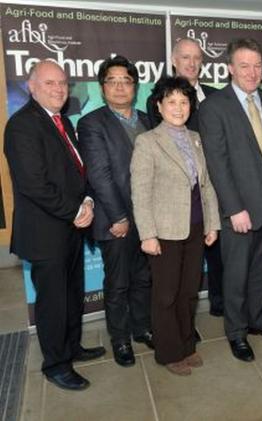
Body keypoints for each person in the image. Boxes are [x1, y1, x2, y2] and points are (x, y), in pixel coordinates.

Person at [4, 61, 105, 390]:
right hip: (46, 233)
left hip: (72, 229)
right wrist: (76, 210)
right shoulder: (22, 126)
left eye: (63, 83)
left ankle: (72, 347)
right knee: (52, 302)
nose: (59, 89)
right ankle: (56, 364)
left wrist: (87, 201)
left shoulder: (62, 122)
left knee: (72, 295)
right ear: (32, 87)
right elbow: (34, 184)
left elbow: (79, 171)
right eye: (50, 83)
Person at [199, 38, 262, 363]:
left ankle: (259, 321)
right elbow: (217, 162)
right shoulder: (213, 106)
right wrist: (234, 208)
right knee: (236, 273)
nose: (252, 72)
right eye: (244, 66)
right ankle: (236, 332)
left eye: (257, 66)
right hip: (238, 208)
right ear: (230, 69)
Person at [131, 76, 220, 376]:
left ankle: (186, 345)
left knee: (189, 292)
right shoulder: (147, 142)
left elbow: (206, 186)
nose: (179, 108)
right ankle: (169, 352)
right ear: (159, 105)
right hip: (164, 233)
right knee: (166, 294)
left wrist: (213, 224)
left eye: (184, 101)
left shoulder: (196, 138)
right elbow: (140, 193)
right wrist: (147, 235)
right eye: (172, 101)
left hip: (195, 228)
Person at [77, 56, 153, 368]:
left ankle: (141, 327)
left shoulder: (148, 120)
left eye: (126, 80)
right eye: (113, 80)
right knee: (118, 283)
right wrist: (120, 217)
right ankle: (120, 338)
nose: (120, 86)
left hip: (148, 219)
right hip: (116, 220)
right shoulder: (92, 123)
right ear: (102, 86)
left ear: (135, 86)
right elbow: (100, 176)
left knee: (143, 278)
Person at [147, 37, 224, 318]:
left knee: (215, 256)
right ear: (174, 61)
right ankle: (178, 329)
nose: (192, 63)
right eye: (185, 57)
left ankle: (219, 305)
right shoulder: (159, 99)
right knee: (173, 281)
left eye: (197, 58)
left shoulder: (217, 95)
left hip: (215, 190)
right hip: (177, 202)